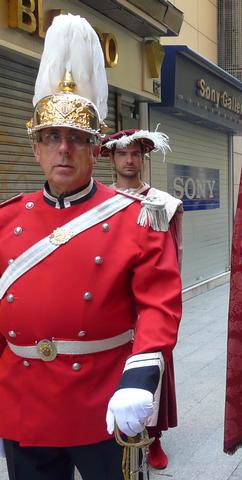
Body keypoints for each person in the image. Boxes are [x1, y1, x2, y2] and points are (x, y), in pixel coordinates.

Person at [0, 14, 182, 480]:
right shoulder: (6, 220)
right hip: (22, 400)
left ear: (95, 150)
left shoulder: (135, 217)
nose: (63, 149)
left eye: (77, 139)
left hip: (104, 399)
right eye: (51, 138)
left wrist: (139, 379)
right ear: (36, 148)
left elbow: (159, 307)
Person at [101, 128, 183, 470]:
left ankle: (154, 437)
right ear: (112, 158)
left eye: (135, 154)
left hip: (149, 298)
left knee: (152, 364)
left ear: (143, 158)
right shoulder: (99, 202)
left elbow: (173, 254)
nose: (129, 160)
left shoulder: (161, 202)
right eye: (122, 154)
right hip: (111, 299)